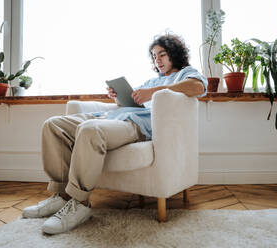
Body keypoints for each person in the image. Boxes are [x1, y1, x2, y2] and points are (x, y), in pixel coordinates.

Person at [22, 34, 208, 234]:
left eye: (162, 54)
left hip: (136, 125)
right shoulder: (152, 80)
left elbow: (198, 87)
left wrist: (154, 91)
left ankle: (80, 203)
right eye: (154, 56)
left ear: (175, 54)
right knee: (53, 125)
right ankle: (61, 196)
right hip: (113, 117)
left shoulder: (186, 73)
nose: (158, 60)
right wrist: (118, 96)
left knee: (90, 130)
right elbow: (131, 102)